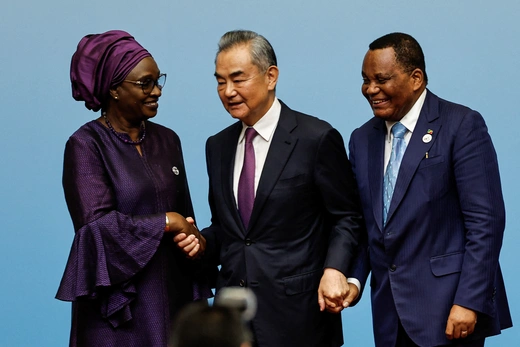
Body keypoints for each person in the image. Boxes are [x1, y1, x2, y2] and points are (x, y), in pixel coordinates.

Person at [176, 29, 364, 347]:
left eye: (238, 79)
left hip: (300, 318)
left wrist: (335, 269)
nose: (228, 91)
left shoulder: (315, 138)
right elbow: (230, 230)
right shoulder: (217, 146)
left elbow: (347, 217)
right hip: (232, 322)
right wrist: (200, 242)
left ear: (270, 76)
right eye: (220, 81)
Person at [347, 32, 512, 346]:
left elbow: (486, 222)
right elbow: (366, 226)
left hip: (449, 310)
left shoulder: (461, 125)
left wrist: (469, 300)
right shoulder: (361, 139)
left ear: (416, 78)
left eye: (381, 79)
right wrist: (353, 278)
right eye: (365, 80)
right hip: (389, 314)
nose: (371, 89)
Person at [55, 30, 212, 347]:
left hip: (175, 295)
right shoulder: (85, 145)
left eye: (159, 80)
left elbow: (187, 217)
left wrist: (195, 240)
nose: (157, 91)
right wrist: (168, 222)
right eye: (146, 83)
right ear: (113, 89)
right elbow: (97, 228)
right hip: (118, 308)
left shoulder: (168, 140)